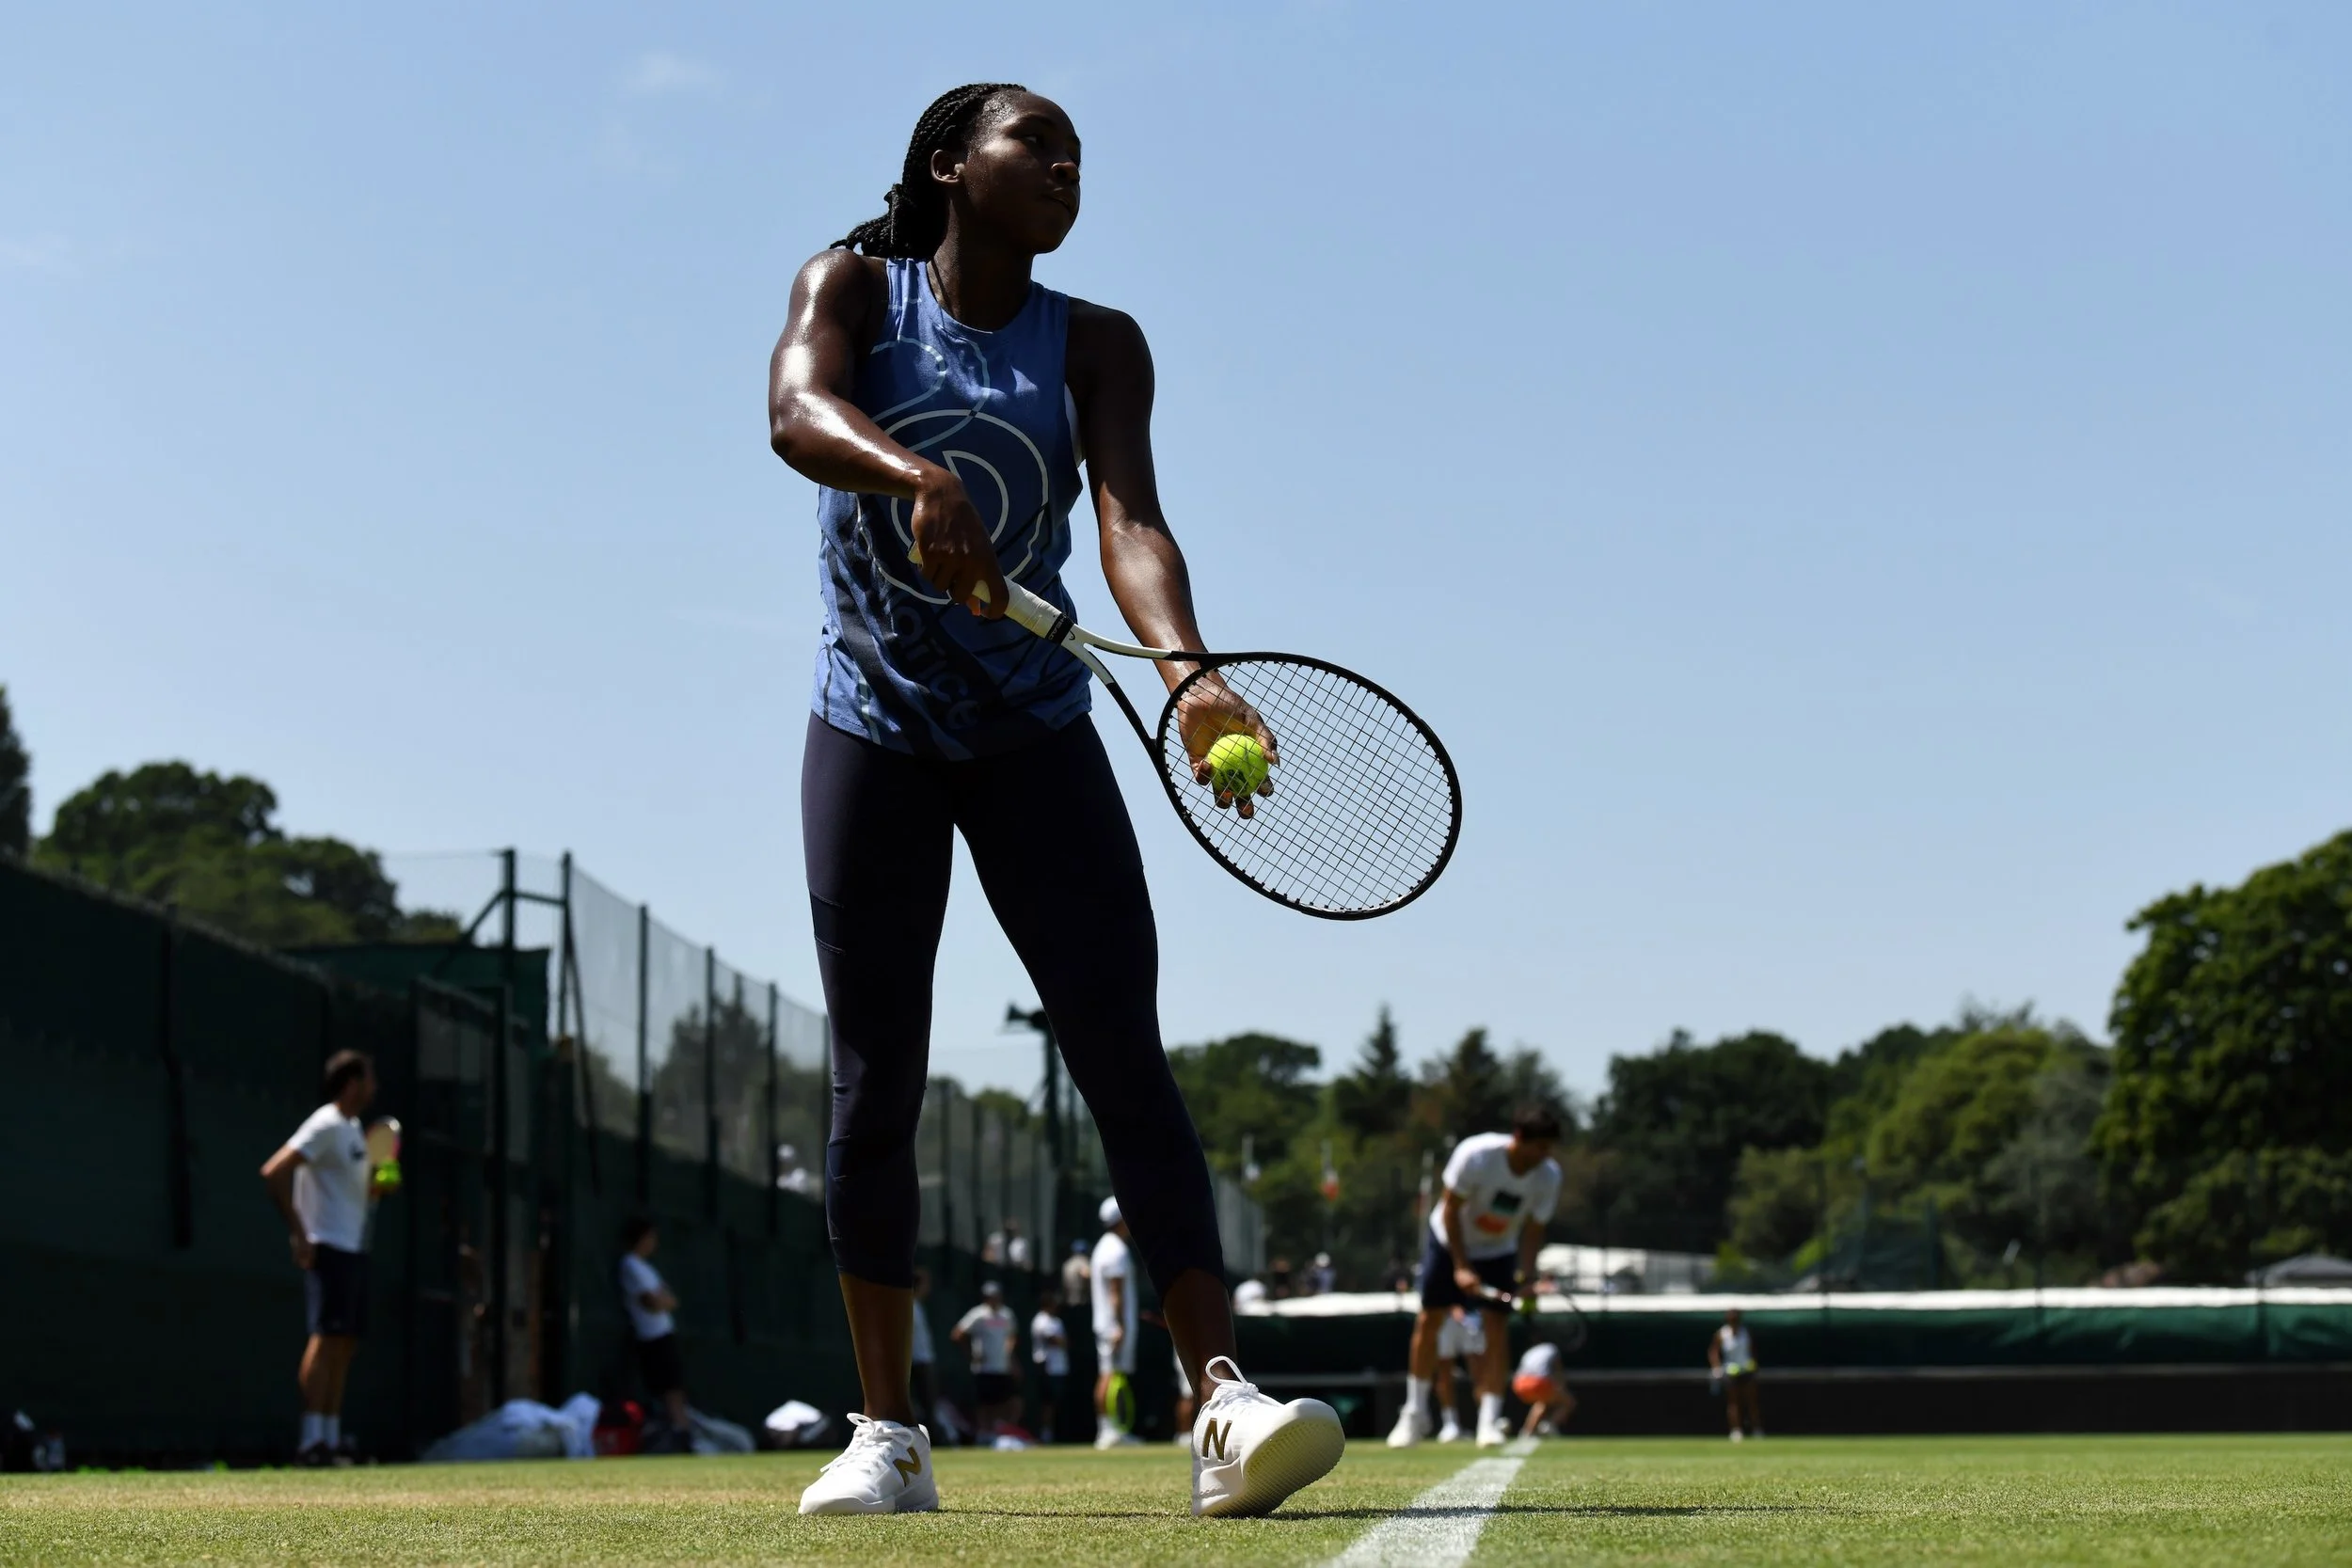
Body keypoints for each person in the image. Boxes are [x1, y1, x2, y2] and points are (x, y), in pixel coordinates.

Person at [771, 83, 1341, 1519]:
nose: (1067, 166)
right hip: (875, 731)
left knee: (1124, 1060)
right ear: (952, 162)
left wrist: (1190, 674)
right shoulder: (852, 285)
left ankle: (1221, 1400)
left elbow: (1130, 522)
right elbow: (795, 409)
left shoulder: (1096, 342)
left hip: (1034, 732)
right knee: (873, 1078)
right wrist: (917, 475)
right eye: (1039, 143)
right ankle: (888, 1433)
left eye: (1079, 155)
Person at [1390, 1104, 1563, 1449]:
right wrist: (1461, 1265)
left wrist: (1527, 1276)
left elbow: (1533, 1230)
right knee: (1430, 1321)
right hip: (1447, 1242)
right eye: (1539, 1147)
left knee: (1496, 1330)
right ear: (1518, 1138)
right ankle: (1414, 1414)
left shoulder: (1548, 1175)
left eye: (1549, 1148)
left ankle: (1489, 1421)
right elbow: (1451, 1210)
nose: (1545, 1156)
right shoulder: (1477, 1155)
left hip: (1498, 1251)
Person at [258, 1049, 380, 1465]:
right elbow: (275, 1171)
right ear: (351, 1083)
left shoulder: (354, 1129)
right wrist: (299, 1233)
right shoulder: (325, 1123)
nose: (374, 1087)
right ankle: (310, 1441)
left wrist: (381, 1184)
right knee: (325, 1340)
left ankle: (330, 1437)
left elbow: (358, 1193)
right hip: (326, 1246)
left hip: (353, 1248)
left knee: (344, 1343)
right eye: (368, 1079)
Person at [618, 1216, 691, 1446]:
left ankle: (682, 1432)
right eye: (651, 1237)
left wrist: (665, 1300)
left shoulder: (646, 1267)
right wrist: (663, 1300)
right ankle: (676, 1434)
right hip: (651, 1337)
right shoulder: (629, 1264)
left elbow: (669, 1297)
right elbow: (652, 1301)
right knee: (667, 1387)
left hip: (663, 1334)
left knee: (675, 1386)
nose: (654, 1242)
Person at [1089, 1198, 1142, 1449]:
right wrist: (1120, 1325)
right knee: (1109, 1376)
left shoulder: (1106, 1247)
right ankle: (1107, 1431)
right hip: (1114, 1326)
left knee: (1111, 1375)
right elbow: (1115, 1292)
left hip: (1111, 1324)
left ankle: (1112, 1430)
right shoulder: (1115, 1251)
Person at [951, 1281, 1022, 1435]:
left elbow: (1011, 1336)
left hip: (1003, 1367)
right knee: (984, 1403)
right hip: (983, 1368)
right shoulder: (978, 1314)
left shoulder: (1007, 1314)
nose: (994, 1299)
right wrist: (971, 1354)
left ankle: (999, 1432)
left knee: (1007, 1401)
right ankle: (985, 1433)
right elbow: (958, 1334)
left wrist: (1011, 1358)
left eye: (996, 1296)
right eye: (991, 1296)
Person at [1432, 1305, 1486, 1443]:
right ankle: (1450, 1424)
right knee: (1444, 1373)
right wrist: (1451, 1307)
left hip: (1472, 1316)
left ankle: (1486, 1421)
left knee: (1479, 1374)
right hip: (1445, 1318)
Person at [1709, 1307, 1763, 1442]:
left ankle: (1756, 1429)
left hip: (1746, 1370)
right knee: (1733, 1402)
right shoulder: (1721, 1334)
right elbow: (1713, 1351)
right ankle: (1736, 1430)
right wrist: (1716, 1367)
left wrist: (1753, 1364)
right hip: (1730, 1372)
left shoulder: (1746, 1332)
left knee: (1751, 1401)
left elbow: (1752, 1350)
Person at [1512, 1339, 1577, 1438]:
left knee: (1541, 1402)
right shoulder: (1553, 1349)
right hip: (1537, 1382)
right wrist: (1561, 1386)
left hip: (1519, 1383)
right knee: (1568, 1402)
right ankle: (1549, 1425)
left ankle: (1527, 1431)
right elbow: (1557, 1370)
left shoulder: (1532, 1350)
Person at [1029, 1289, 1071, 1443]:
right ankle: (1045, 1434)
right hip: (1046, 1367)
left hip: (1060, 1367)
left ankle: (1055, 1433)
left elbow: (1064, 1342)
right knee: (1047, 1404)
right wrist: (1061, 1341)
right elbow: (1055, 1340)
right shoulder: (1040, 1320)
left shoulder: (1056, 1321)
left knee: (1057, 1402)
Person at [909, 1265, 941, 1434]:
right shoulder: (909, 1306)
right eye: (925, 1284)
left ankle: (931, 1437)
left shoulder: (918, 1306)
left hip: (924, 1360)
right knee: (922, 1402)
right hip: (915, 1363)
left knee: (929, 1404)